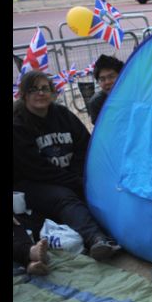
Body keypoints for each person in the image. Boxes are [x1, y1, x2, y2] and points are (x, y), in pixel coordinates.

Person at [13, 70, 120, 260]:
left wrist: (81, 176)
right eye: (33, 89)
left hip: (68, 176)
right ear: (24, 95)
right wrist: (76, 181)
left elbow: (85, 147)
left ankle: (122, 231)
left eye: (45, 88)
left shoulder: (62, 114)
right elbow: (35, 169)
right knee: (65, 197)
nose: (41, 93)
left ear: (53, 92)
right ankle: (97, 240)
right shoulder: (17, 124)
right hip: (32, 183)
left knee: (102, 188)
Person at [87, 55, 124, 125]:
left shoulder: (134, 94)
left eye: (111, 76)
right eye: (102, 79)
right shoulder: (96, 103)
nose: (107, 82)